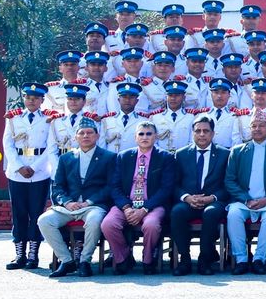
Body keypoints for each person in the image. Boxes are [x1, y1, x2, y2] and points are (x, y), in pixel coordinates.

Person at [38, 119, 115, 278]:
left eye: (89, 133)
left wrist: (89, 201)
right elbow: (57, 186)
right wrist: (67, 202)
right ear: (76, 137)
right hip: (69, 206)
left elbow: (110, 186)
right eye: (82, 133)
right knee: (44, 221)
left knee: (94, 220)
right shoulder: (66, 158)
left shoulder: (109, 157)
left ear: (97, 136)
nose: (85, 136)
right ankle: (66, 261)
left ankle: (84, 261)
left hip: (93, 205)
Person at [101, 122, 176, 275]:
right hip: (127, 204)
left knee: (151, 225)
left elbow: (166, 188)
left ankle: (148, 259)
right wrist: (127, 208)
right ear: (135, 137)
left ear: (155, 137)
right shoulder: (123, 157)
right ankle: (123, 257)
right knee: (108, 224)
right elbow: (114, 186)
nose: (145, 137)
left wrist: (144, 209)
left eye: (149, 134)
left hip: (153, 205)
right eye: (141, 134)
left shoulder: (165, 157)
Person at [224, 108, 266, 275]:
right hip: (243, 201)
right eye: (254, 126)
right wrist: (246, 199)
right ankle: (241, 260)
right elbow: (230, 181)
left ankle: (260, 258)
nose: (257, 129)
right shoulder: (238, 151)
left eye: (262, 126)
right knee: (233, 214)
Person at [2, 83, 57, 270]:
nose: (31, 101)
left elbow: (51, 146)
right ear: (24, 99)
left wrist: (33, 167)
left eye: (35, 98)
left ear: (42, 100)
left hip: (39, 172)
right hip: (17, 173)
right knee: (19, 213)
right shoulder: (13, 118)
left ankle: (33, 254)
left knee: (36, 213)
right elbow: (7, 144)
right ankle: (19, 255)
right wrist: (18, 167)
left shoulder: (49, 119)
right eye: (28, 97)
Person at [169, 114, 230, 276]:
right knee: (176, 212)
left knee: (211, 213)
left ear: (213, 133)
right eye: (198, 131)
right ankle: (185, 259)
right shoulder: (181, 154)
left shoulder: (225, 154)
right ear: (193, 133)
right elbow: (174, 184)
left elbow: (228, 184)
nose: (202, 134)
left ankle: (205, 259)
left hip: (213, 201)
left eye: (206, 131)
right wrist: (187, 198)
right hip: (189, 201)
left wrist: (212, 198)